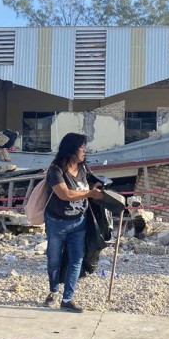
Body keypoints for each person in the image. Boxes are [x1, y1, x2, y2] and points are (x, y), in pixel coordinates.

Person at [43, 132, 103, 313]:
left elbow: (87, 186)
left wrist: (96, 188)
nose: (84, 151)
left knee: (76, 259)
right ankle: (54, 291)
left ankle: (67, 298)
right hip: (57, 223)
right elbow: (65, 194)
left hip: (79, 222)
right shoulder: (56, 170)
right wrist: (90, 193)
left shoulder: (83, 168)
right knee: (54, 259)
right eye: (81, 147)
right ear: (71, 149)